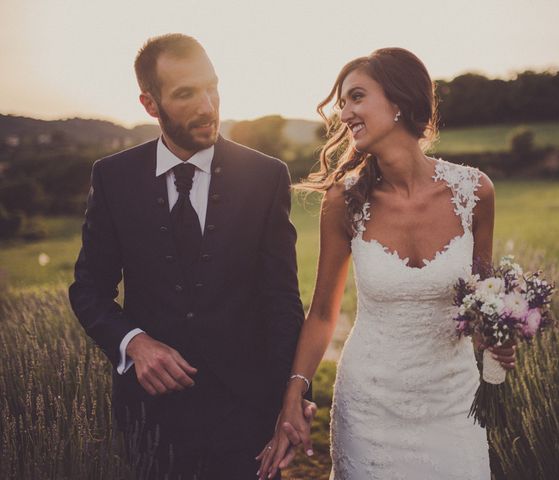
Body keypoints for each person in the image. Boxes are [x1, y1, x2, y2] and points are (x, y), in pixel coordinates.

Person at [257, 48, 517, 479]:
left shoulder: (475, 192)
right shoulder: (344, 201)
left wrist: (498, 338)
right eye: (341, 102)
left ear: (398, 101)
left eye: (356, 97)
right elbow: (322, 313)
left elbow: (482, 301)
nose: (344, 113)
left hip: (452, 404)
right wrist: (294, 391)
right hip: (369, 408)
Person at [69, 33, 314, 479]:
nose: (208, 105)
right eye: (185, 94)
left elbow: (282, 299)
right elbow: (89, 290)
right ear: (149, 104)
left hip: (248, 411)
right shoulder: (112, 178)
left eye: (212, 86)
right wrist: (134, 343)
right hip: (150, 417)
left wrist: (290, 399)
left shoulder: (266, 176)